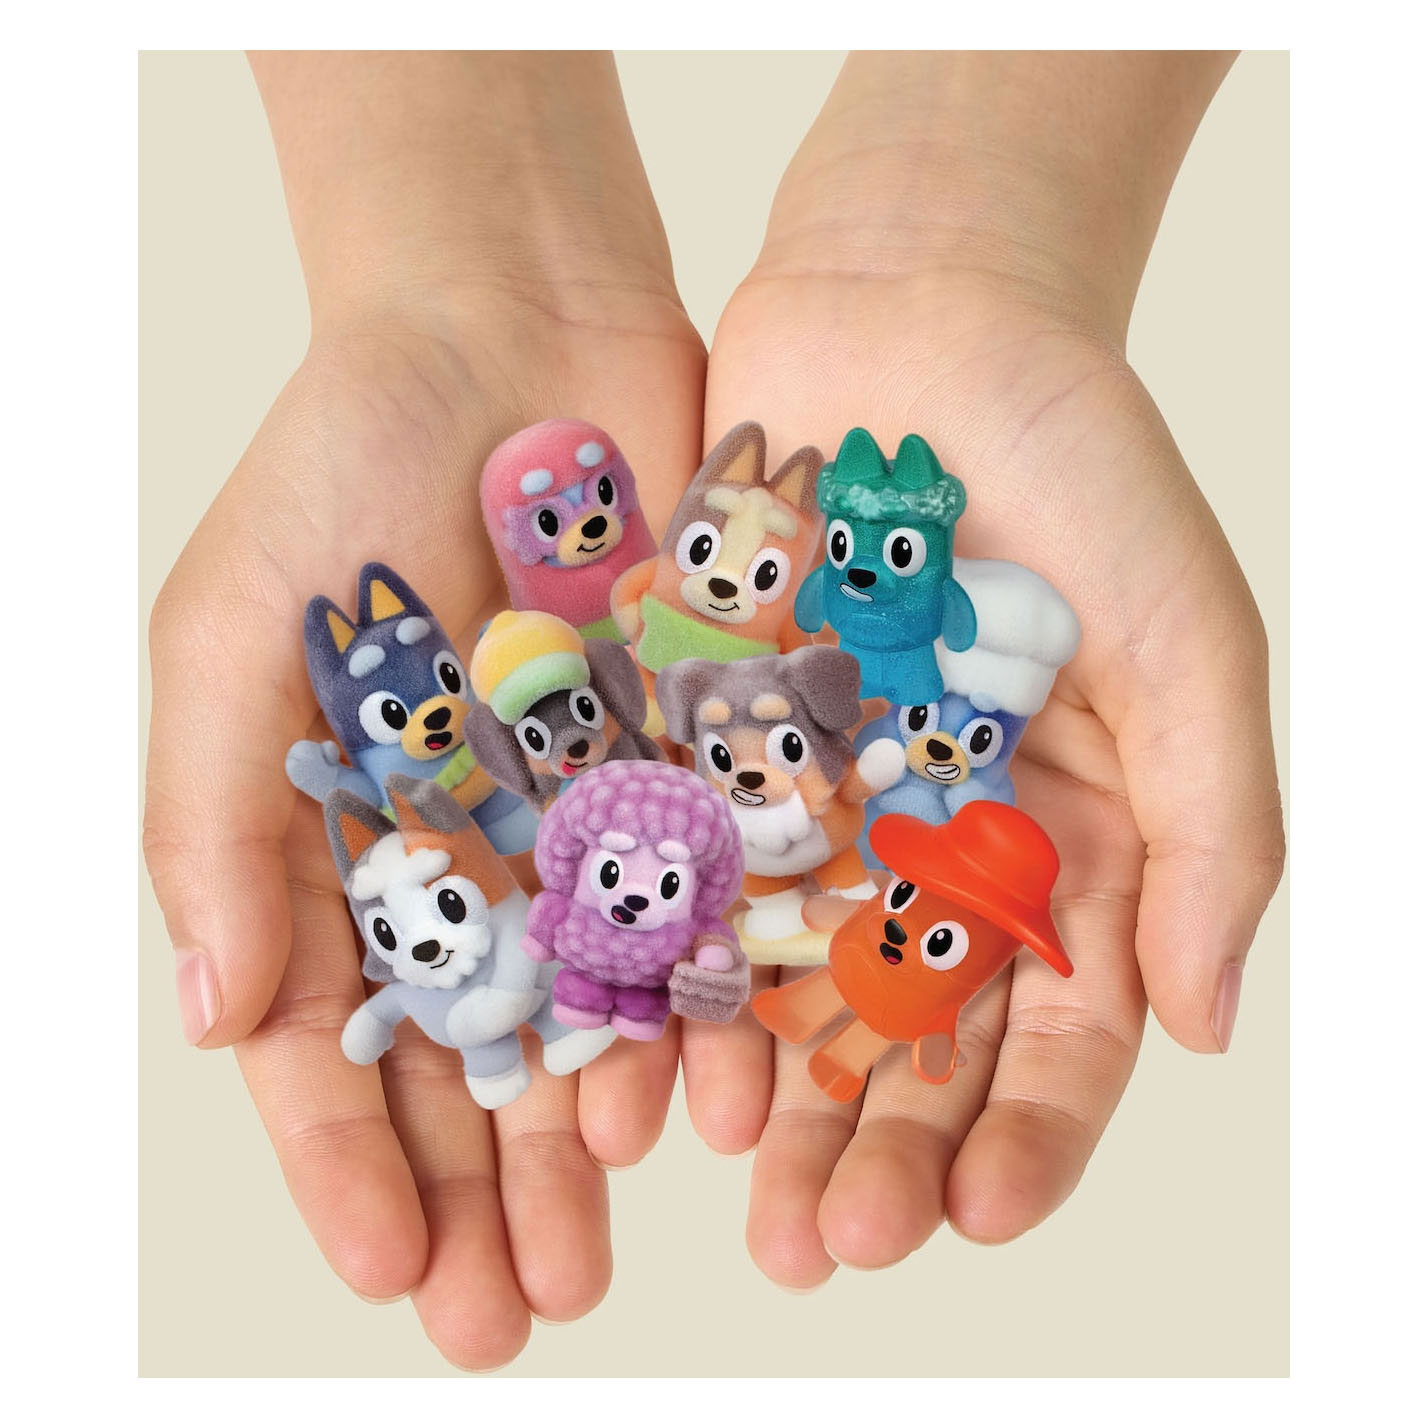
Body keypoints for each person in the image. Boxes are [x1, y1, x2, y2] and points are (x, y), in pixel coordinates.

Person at [143, 50, 1284, 1371]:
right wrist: (459, 255)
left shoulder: (818, 741)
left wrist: (968, 245)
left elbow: (824, 779)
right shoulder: (594, 750)